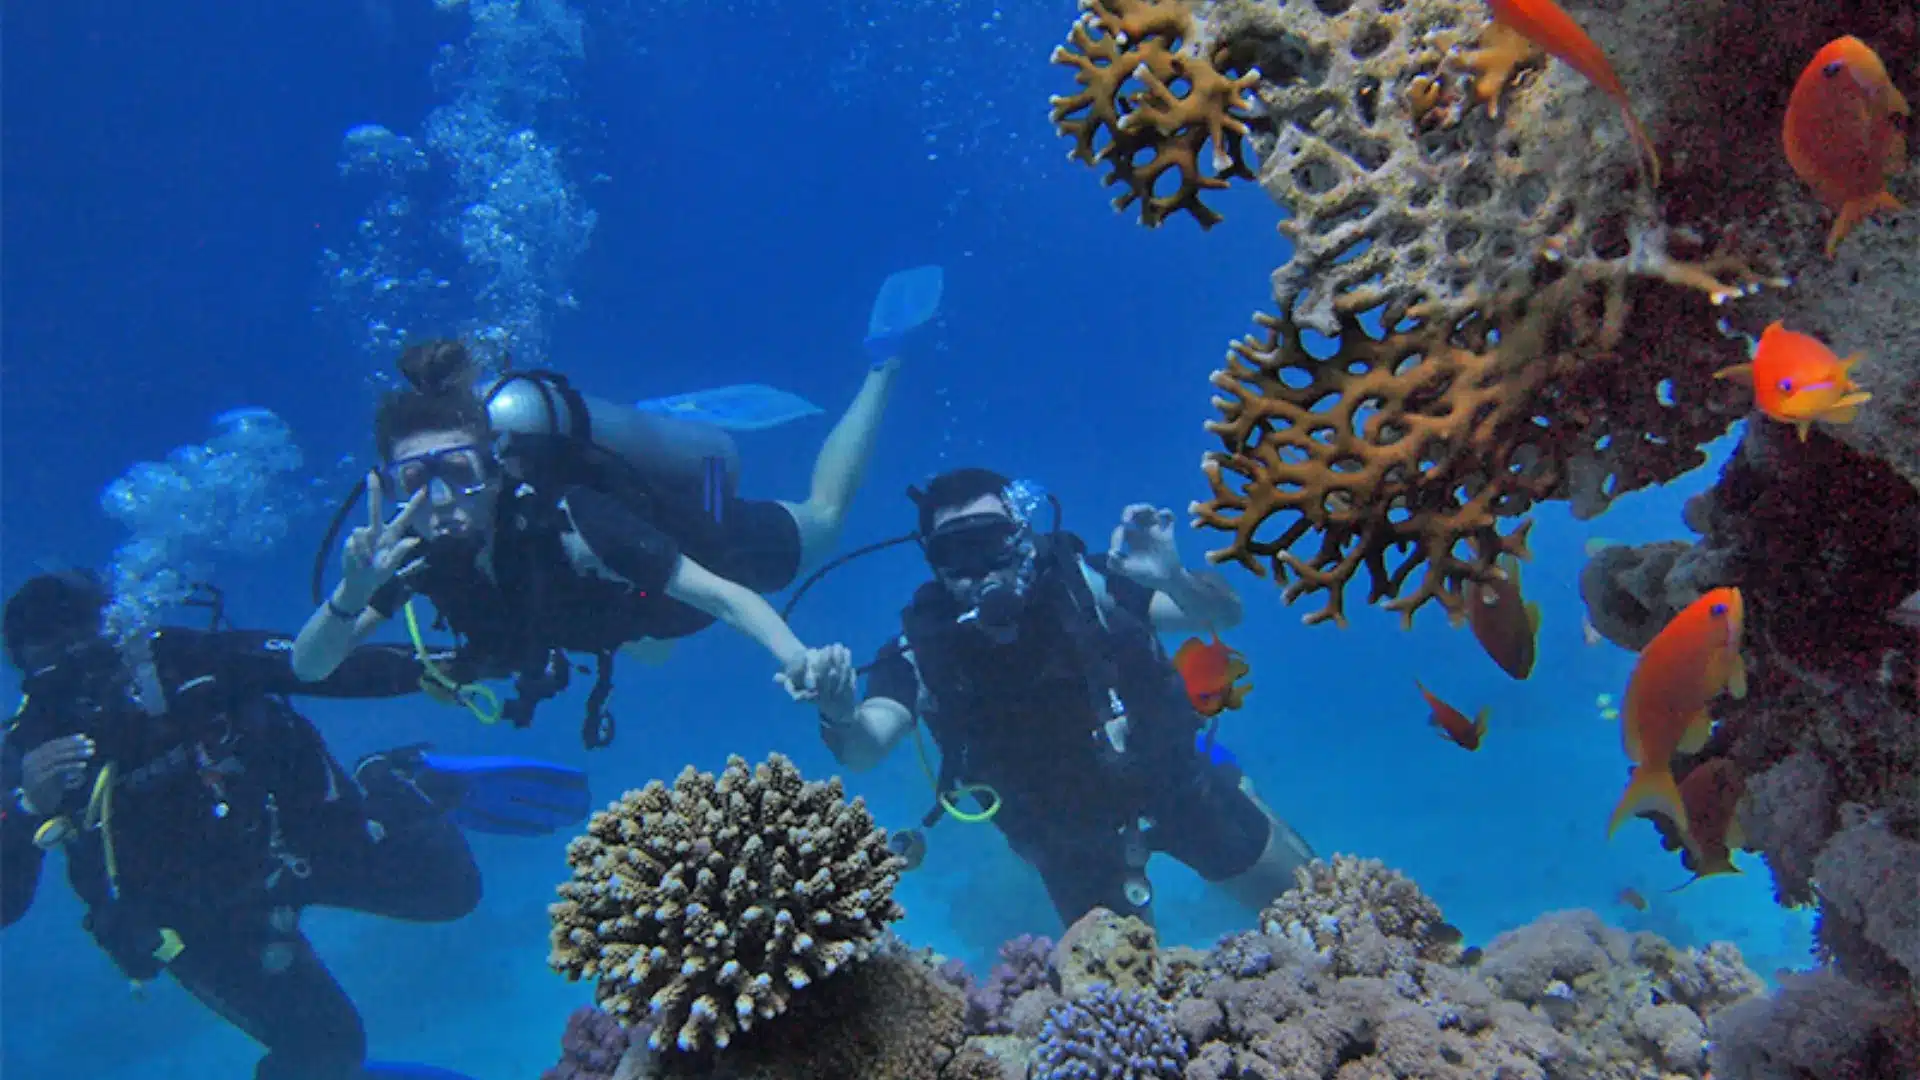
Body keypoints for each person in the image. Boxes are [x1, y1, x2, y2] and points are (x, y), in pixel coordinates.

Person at [0, 571, 590, 1080]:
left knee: (452, 891)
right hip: (199, 921)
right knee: (327, 1047)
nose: (78, 668)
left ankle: (393, 777)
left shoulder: (187, 660)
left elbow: (317, 666)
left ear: (115, 630)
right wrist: (28, 805)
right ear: (25, 670)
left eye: (86, 640)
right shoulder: (23, 751)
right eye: (49, 657)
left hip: (303, 843)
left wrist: (454, 665)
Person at [290, 339, 886, 742]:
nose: (440, 502)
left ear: (494, 471)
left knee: (826, 517)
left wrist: (797, 659)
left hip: (705, 549)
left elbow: (727, 597)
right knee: (647, 643)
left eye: (460, 474)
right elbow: (309, 666)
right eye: (416, 480)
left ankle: (881, 367)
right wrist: (350, 595)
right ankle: (669, 435)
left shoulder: (576, 518)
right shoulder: (404, 558)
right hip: (630, 617)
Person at [806, 469, 1316, 927]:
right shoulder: (922, 648)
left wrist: (1174, 579)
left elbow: (1223, 616)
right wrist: (839, 713)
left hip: (1178, 783)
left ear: (1024, 538)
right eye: (954, 554)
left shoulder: (1088, 585)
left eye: (992, 543)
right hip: (1066, 841)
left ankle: (1234, 780)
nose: (978, 569)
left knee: (1318, 914)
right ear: (932, 562)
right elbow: (865, 747)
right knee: (1117, 1010)